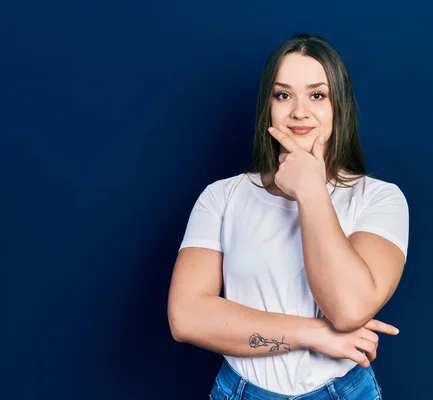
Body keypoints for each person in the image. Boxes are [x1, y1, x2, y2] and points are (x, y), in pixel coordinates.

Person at [167, 33, 409, 400]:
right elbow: (186, 317)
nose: (299, 111)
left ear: (338, 105)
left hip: (342, 391)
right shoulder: (222, 197)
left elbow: (348, 310)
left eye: (317, 95)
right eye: (283, 95)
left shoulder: (379, 199)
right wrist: (313, 334)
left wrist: (310, 188)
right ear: (268, 106)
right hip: (243, 391)